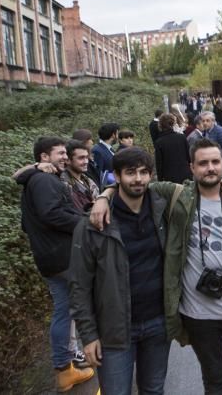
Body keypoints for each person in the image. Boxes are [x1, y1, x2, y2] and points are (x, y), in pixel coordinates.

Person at [92, 139, 222, 394]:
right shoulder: (178, 196)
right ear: (191, 167)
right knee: (214, 382)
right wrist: (104, 195)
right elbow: (135, 182)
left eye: (215, 162)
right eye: (203, 163)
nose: (210, 168)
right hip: (199, 315)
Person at [69, 147, 170, 395]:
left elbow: (200, 185)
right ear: (116, 175)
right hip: (113, 330)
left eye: (144, 172)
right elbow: (79, 284)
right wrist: (88, 335)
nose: (138, 179)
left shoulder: (162, 209)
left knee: (154, 390)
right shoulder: (93, 224)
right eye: (130, 172)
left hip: (158, 323)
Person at [17, 136, 95, 392]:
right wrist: (85, 223)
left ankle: (65, 369)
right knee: (87, 304)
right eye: (60, 153)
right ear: (43, 157)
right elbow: (51, 213)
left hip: (49, 257)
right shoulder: (43, 180)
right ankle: (96, 358)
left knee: (65, 310)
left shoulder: (36, 178)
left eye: (65, 153)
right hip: (63, 256)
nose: (65, 157)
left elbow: (29, 223)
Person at [61, 139, 100, 212]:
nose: (86, 162)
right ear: (68, 160)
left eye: (86, 157)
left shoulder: (88, 180)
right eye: (81, 158)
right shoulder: (63, 182)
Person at [154, 113, 192, 183]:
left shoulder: (159, 142)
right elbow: (189, 157)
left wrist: (160, 180)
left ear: (161, 124)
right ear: (173, 123)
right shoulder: (182, 137)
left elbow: (159, 164)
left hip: (170, 178)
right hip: (185, 174)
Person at [93, 123, 119, 188]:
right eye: (117, 134)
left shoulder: (110, 149)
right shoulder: (97, 151)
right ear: (113, 135)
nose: (118, 137)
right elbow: (98, 174)